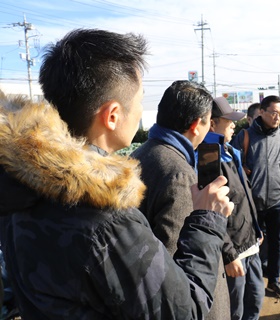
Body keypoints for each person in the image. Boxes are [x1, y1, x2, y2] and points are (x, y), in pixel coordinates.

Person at [0, 29, 233, 319]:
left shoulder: (18, 182)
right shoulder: (105, 218)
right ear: (112, 116)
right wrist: (208, 220)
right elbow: (183, 310)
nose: (140, 111)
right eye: (139, 99)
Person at [132, 81, 231, 320]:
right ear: (197, 125)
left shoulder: (142, 153)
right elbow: (177, 261)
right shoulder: (179, 174)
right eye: (209, 122)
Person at [201, 96, 264, 320]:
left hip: (250, 242)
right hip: (233, 250)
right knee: (234, 310)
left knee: (255, 300)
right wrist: (229, 254)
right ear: (212, 124)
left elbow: (244, 196)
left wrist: (256, 228)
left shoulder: (229, 150)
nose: (233, 125)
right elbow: (209, 213)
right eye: (229, 121)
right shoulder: (208, 156)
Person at [231, 95, 280, 298]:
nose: (278, 117)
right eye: (274, 113)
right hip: (252, 202)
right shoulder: (245, 136)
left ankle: (274, 281)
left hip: (278, 200)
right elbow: (232, 165)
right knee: (253, 244)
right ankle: (256, 284)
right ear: (262, 112)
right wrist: (242, 168)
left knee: (276, 242)